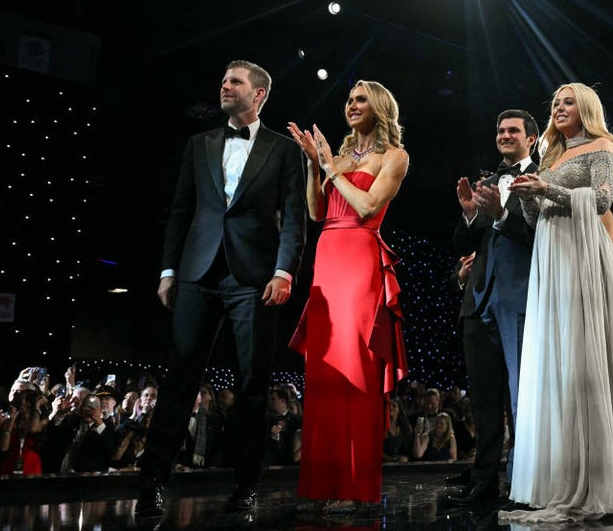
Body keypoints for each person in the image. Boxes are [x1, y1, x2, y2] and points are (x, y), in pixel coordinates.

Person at [135, 59, 306, 517]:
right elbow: (180, 210)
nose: (225, 87)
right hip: (197, 272)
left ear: (260, 94)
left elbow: (293, 218)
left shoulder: (285, 150)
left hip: (254, 278)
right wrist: (168, 270)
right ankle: (152, 481)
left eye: (235, 82)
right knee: (179, 378)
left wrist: (284, 271)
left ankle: (246, 485)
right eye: (224, 82)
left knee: (252, 383)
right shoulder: (200, 144)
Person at [500, 83, 613, 523]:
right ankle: (558, 482)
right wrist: (528, 195)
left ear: (586, 108)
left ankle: (598, 485)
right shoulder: (550, 157)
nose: (559, 107)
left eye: (568, 101)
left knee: (583, 365)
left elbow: (604, 199)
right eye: (555, 102)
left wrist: (546, 190)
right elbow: (535, 222)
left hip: (583, 259)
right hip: (550, 260)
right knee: (557, 366)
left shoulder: (601, 146)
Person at [287, 79, 409, 513]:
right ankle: (322, 483)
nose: (352, 105)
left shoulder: (394, 156)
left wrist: (331, 168)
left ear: (379, 107)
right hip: (327, 256)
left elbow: (366, 207)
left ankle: (355, 486)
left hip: (360, 258)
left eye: (360, 99)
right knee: (324, 372)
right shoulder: (335, 157)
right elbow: (317, 212)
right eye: (349, 100)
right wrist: (312, 165)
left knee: (355, 366)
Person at [446, 109, 539, 507]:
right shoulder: (485, 181)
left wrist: (501, 215)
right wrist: (470, 214)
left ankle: (523, 484)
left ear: (531, 139)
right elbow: (459, 244)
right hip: (478, 303)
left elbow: (541, 241)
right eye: (500, 130)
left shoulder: (543, 179)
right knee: (483, 403)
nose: (504, 135)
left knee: (522, 403)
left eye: (512, 130)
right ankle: (483, 483)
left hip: (521, 305)